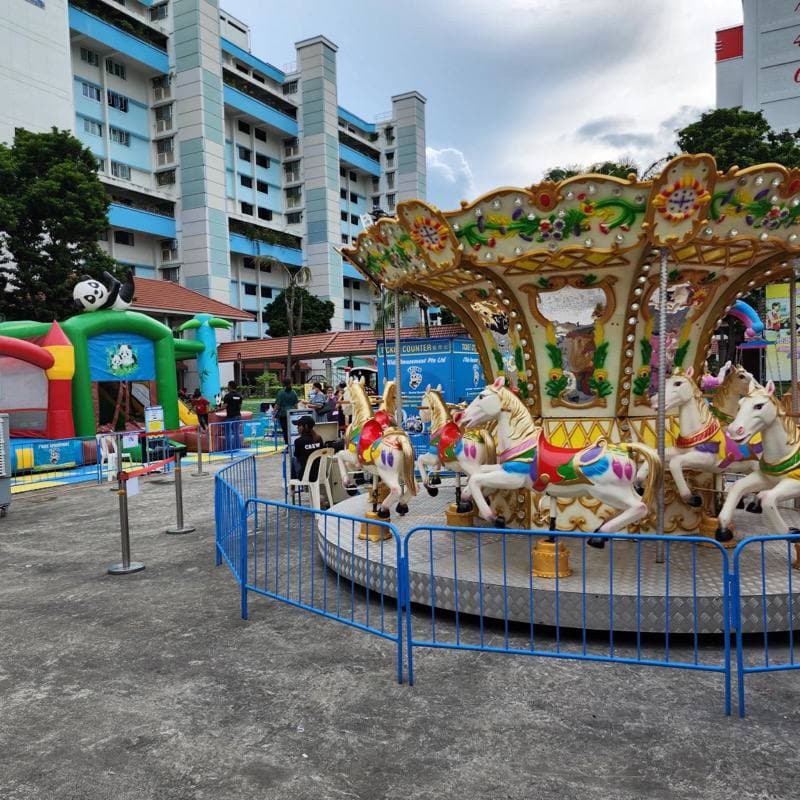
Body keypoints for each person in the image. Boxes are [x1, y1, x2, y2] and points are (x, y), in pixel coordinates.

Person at [291, 415, 323, 481]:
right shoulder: (319, 439)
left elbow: (297, 458)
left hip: (306, 475)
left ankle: (292, 487)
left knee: (293, 460)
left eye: (299, 425)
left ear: (305, 426)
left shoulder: (298, 441)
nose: (297, 428)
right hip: (320, 474)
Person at [220, 380, 243, 451]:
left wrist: (216, 409)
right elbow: (240, 406)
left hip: (230, 416)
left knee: (228, 433)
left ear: (230, 386)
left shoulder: (227, 396)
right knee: (236, 432)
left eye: (228, 385)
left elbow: (224, 406)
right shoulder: (239, 396)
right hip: (238, 416)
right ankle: (237, 447)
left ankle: (229, 448)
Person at [275, 378, 299, 444]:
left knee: (285, 431)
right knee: (292, 430)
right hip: (292, 414)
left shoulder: (280, 393)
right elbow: (296, 405)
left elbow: (277, 405)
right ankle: (293, 444)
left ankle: (287, 445)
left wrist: (273, 413)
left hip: (283, 414)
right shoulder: (294, 392)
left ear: (283, 384)